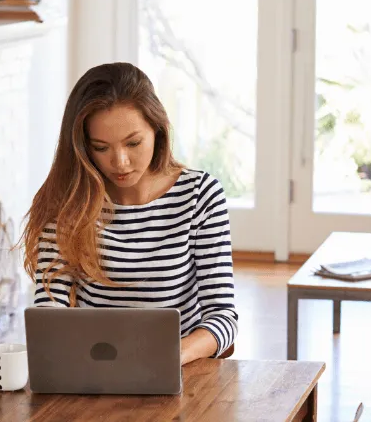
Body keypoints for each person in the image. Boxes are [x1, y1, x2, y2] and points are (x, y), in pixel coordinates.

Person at [21, 62, 238, 366]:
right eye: (101, 147)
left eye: (133, 143)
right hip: (91, 372)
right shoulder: (68, 203)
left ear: (157, 130)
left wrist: (171, 356)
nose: (120, 162)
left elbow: (223, 317)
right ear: (83, 147)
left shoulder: (200, 195)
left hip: (179, 374)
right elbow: (50, 312)